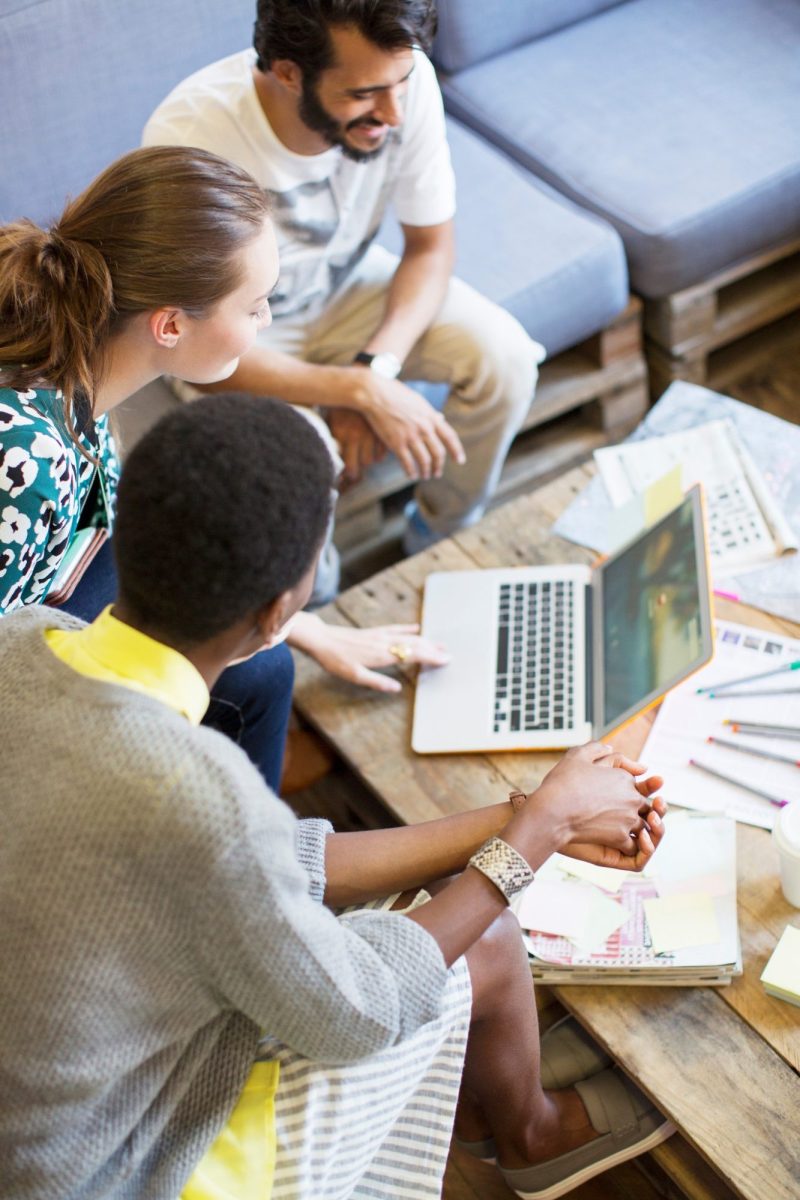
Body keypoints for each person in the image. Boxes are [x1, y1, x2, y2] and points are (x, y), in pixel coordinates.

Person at [0, 393, 672, 1200]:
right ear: (284, 610)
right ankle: (529, 1135)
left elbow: (261, 864)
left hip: (41, 1103)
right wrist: (540, 830)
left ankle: (492, 1109)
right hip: (110, 1166)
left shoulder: (23, 640)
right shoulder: (196, 792)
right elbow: (354, 1012)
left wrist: (522, 819)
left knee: (462, 921)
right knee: (481, 932)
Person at [0, 144, 447, 794]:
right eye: (255, 305)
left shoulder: (75, 374)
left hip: (49, 602)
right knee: (257, 670)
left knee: (264, 668)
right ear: (171, 325)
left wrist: (298, 626)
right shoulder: (28, 463)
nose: (267, 320)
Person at [142, 0, 545, 601]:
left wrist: (373, 365)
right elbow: (194, 354)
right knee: (301, 465)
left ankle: (438, 541)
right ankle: (322, 606)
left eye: (401, 83)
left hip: (346, 287)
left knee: (506, 356)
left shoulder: (402, 86)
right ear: (287, 73)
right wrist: (358, 392)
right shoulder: (190, 138)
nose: (393, 111)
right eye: (363, 94)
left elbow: (430, 249)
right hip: (238, 329)